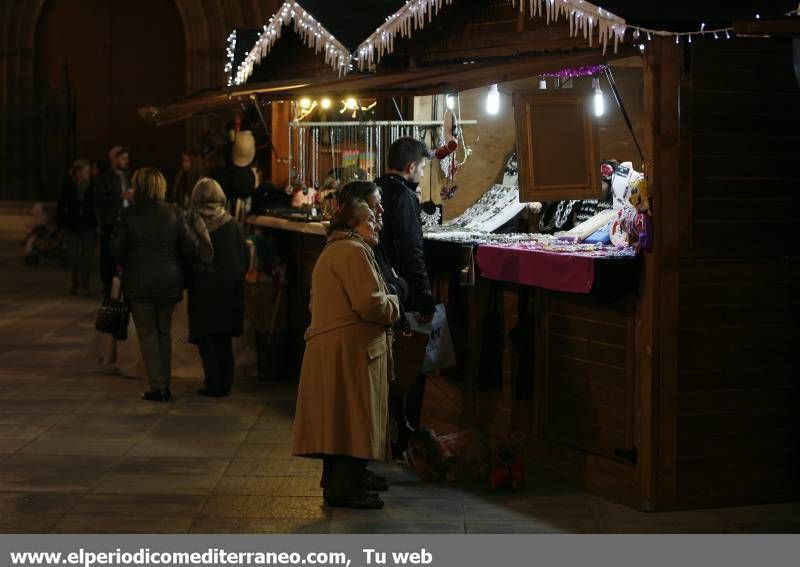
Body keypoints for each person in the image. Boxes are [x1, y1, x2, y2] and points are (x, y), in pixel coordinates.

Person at [293, 198, 400, 509]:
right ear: (353, 225)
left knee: (338, 423)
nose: (378, 223)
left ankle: (341, 485)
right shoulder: (353, 251)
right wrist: (394, 302)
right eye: (370, 220)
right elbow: (370, 304)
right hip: (351, 352)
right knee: (352, 422)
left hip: (339, 348)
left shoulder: (337, 248)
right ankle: (344, 490)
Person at [110, 167, 196, 401]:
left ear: (138, 187)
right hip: (169, 279)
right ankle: (164, 382)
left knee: (147, 335)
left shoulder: (128, 215)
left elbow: (116, 250)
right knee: (164, 333)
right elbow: (189, 247)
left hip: (139, 281)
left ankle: (158, 386)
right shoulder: (175, 213)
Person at [374, 137, 436, 457]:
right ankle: (401, 441)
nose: (423, 174)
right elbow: (413, 252)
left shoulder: (373, 190)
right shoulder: (403, 195)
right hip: (400, 293)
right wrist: (425, 299)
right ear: (411, 167)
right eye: (423, 167)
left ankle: (381, 438)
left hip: (377, 290)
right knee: (407, 371)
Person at [185, 178, 247, 397]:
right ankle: (226, 382)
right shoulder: (232, 223)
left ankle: (213, 382)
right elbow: (242, 258)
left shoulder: (191, 221)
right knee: (223, 339)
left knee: (207, 338)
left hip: (203, 285)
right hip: (228, 288)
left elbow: (186, 254)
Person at [95, 146, 133, 297]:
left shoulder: (127, 176)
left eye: (126, 158)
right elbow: (99, 200)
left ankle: (123, 287)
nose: (126, 161)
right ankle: (107, 287)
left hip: (126, 221)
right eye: (123, 158)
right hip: (111, 222)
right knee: (108, 257)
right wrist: (121, 197)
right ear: (114, 160)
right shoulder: (104, 178)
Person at [57, 158, 97, 295]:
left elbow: (96, 204)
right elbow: (61, 206)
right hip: (72, 225)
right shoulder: (68, 185)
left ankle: (84, 286)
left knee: (86, 256)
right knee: (73, 256)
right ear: (78, 172)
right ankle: (74, 283)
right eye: (86, 170)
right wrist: (61, 226)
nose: (89, 173)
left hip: (88, 224)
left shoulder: (92, 185)